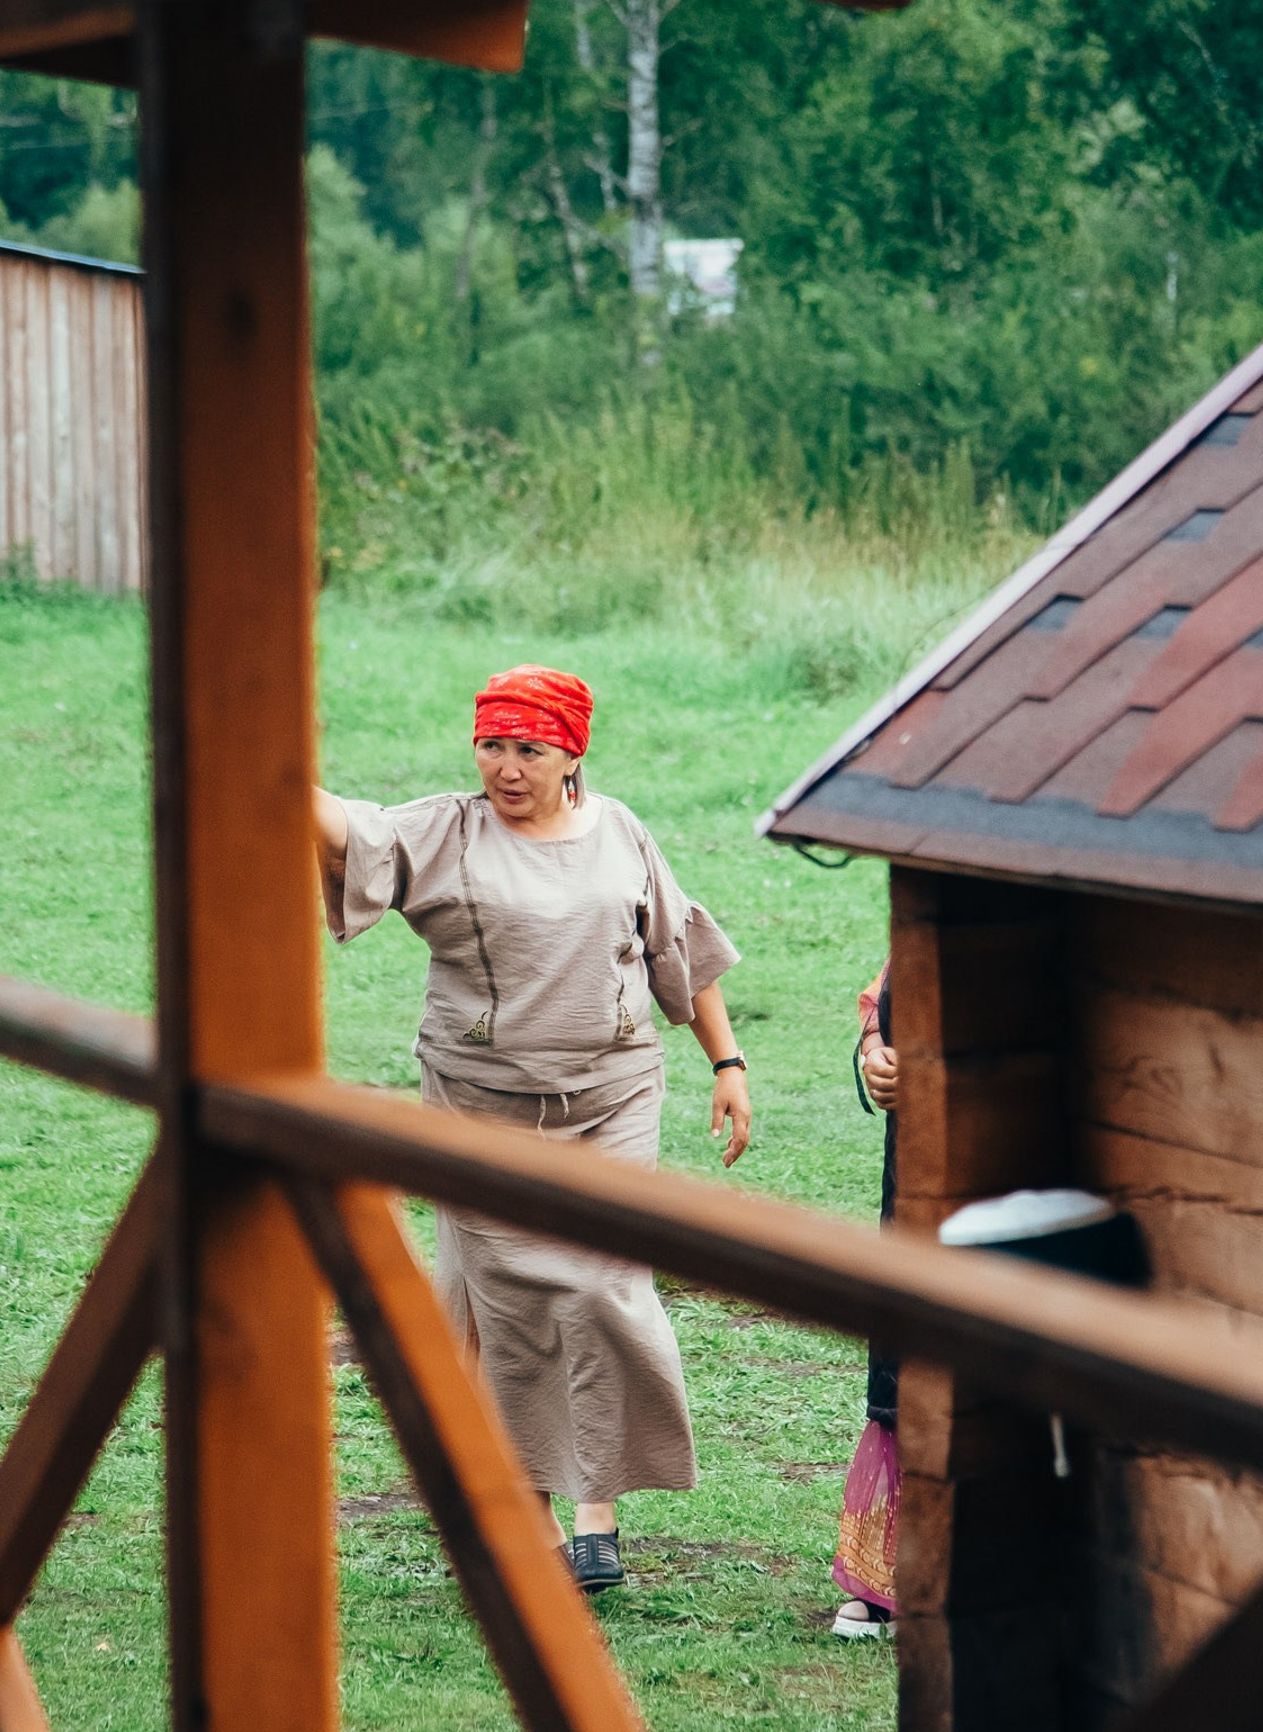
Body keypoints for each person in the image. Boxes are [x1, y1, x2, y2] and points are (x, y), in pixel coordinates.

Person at [311, 664, 753, 1593]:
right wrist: (267, 759)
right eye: (493, 746)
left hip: (615, 1093)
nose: (507, 768)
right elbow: (347, 834)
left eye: (530, 749)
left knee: (605, 1284)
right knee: (508, 1302)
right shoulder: (446, 829)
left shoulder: (621, 830)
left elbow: (677, 949)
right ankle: (537, 1513)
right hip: (482, 1102)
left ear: (571, 754)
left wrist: (728, 1063)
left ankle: (600, 1506)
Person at [833, 961, 900, 1641]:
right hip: (917, 1162)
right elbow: (880, 999)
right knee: (905, 1353)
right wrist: (875, 1051)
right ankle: (882, 1578)